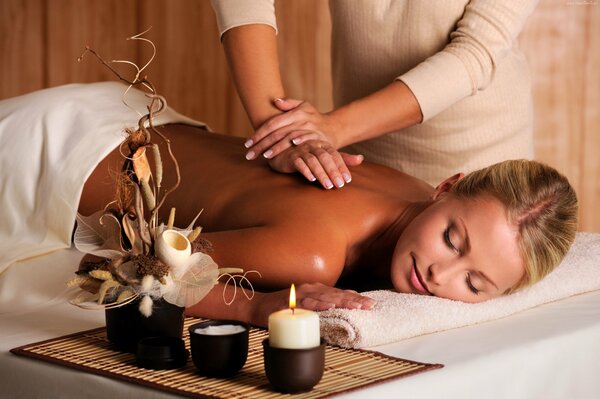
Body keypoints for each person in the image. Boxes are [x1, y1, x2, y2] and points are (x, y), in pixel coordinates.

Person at [79, 123, 578, 327]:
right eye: (452, 239)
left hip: (149, 127)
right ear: (446, 187)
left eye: (474, 282)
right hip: (73, 160)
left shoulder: (411, 194)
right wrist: (257, 306)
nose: (440, 275)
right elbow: (124, 270)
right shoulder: (315, 252)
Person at [210, 0, 539, 189]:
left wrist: (334, 128)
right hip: (361, 166)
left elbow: (475, 53)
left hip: (482, 171)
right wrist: (280, 132)